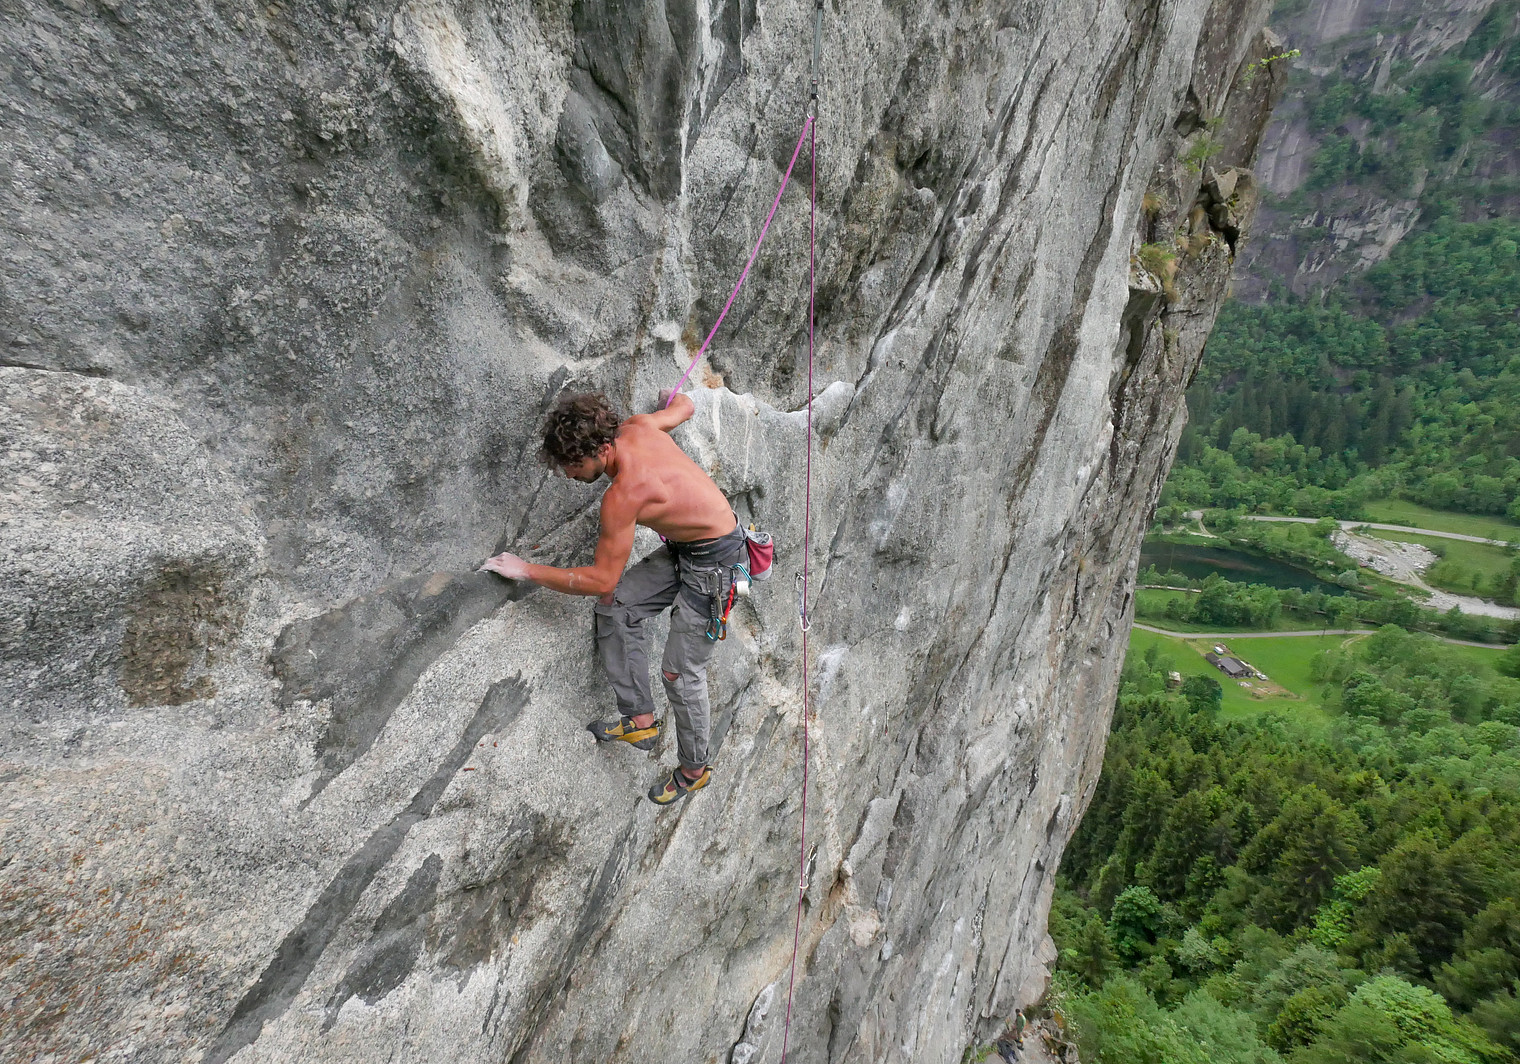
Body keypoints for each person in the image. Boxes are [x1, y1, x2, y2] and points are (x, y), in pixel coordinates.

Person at [481, 390, 746, 805]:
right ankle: (640, 719)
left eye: (574, 464)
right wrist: (672, 399)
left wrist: (527, 570)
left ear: (602, 450)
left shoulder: (624, 495)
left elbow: (601, 578)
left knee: (679, 674)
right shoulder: (639, 426)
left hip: (718, 567)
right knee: (618, 606)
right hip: (689, 550)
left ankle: (694, 770)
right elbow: (685, 407)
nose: (569, 474)